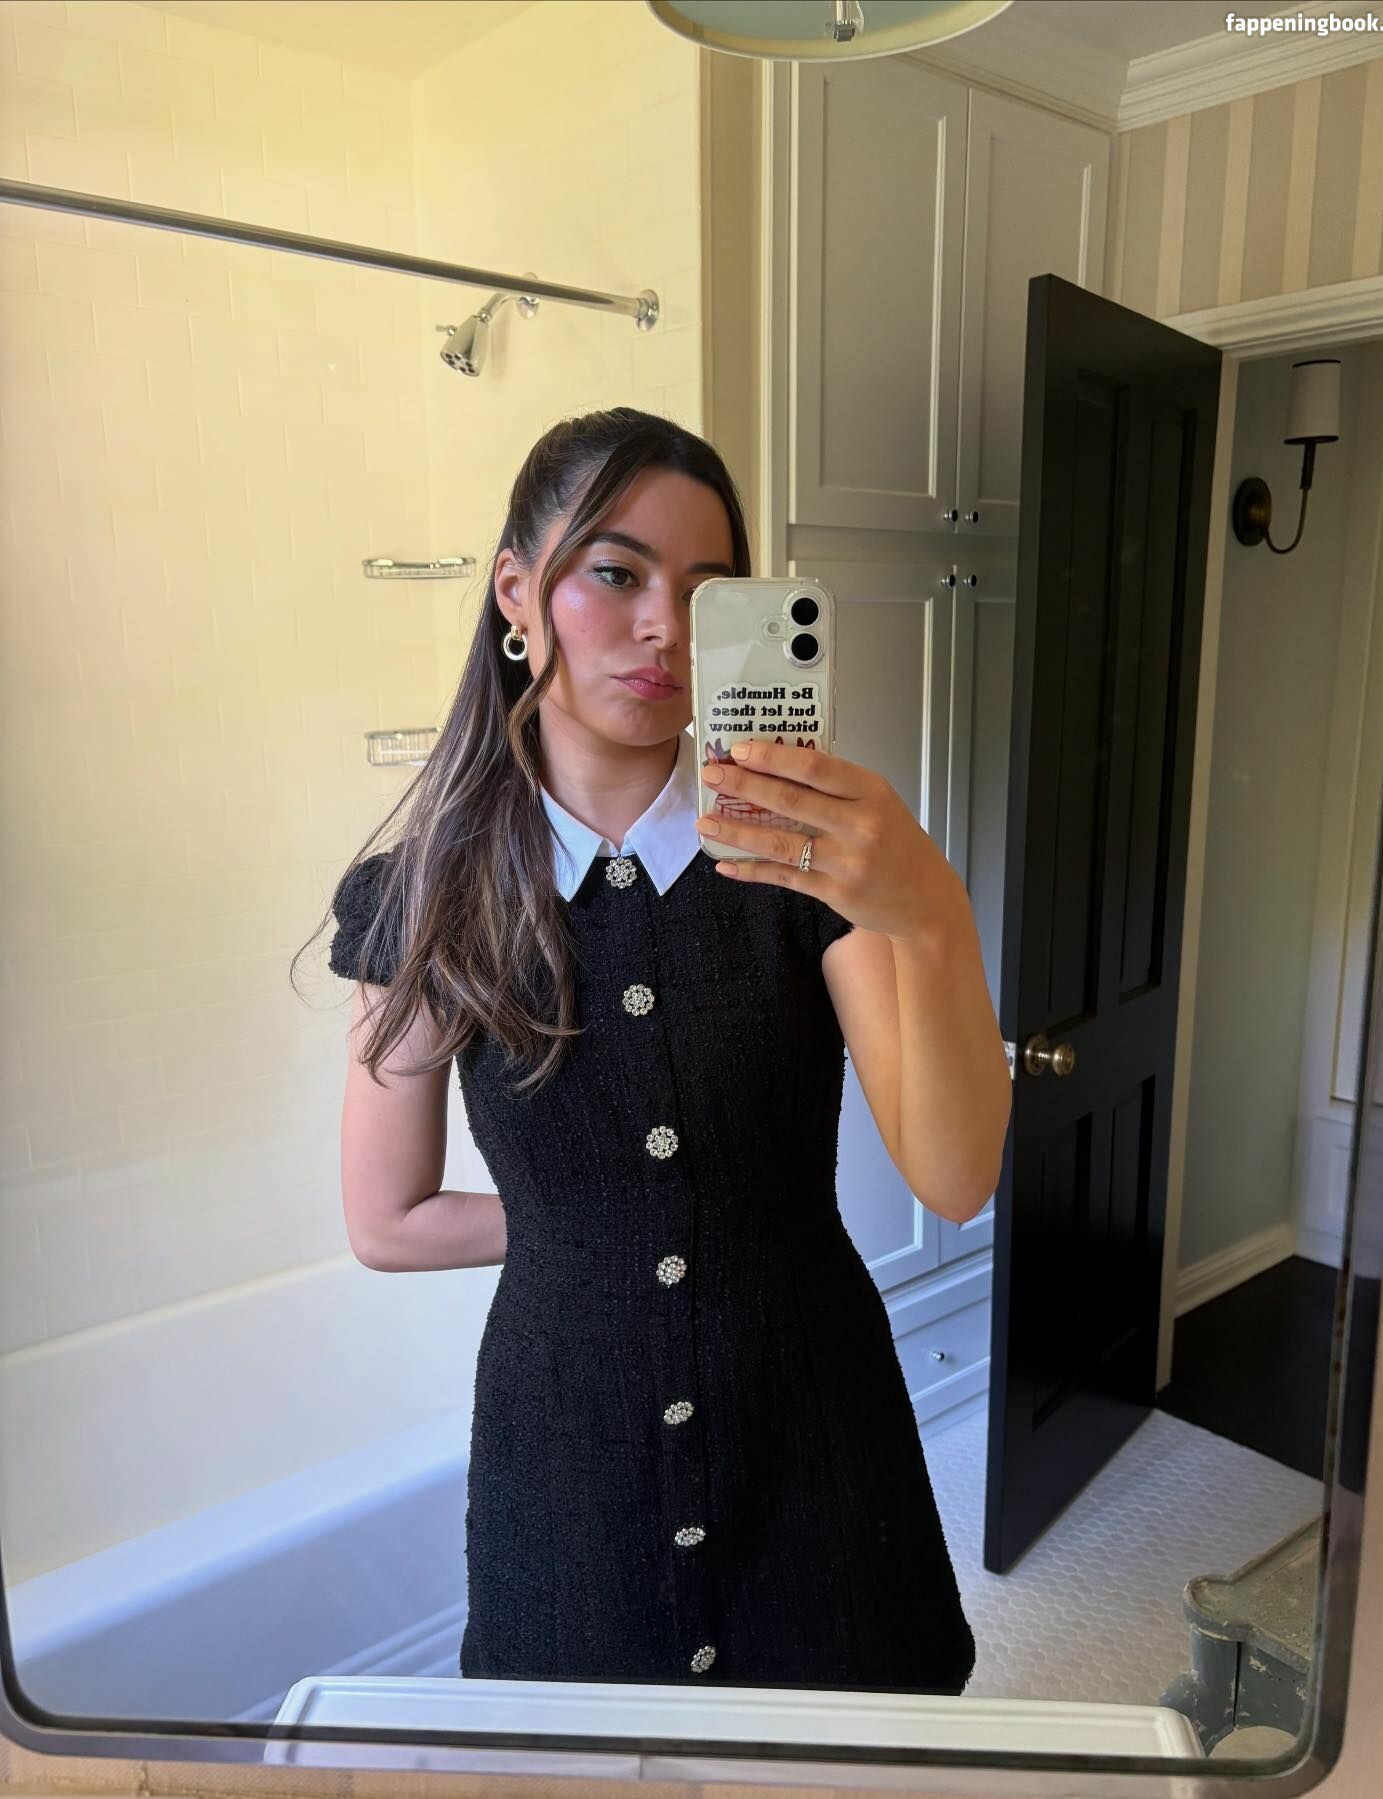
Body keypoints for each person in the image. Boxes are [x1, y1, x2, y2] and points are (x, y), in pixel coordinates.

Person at [316, 406, 1011, 1692]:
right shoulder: (427, 898)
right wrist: (614, 1221)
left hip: (816, 1439)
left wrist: (931, 913)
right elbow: (388, 1218)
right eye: (616, 573)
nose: (665, 631)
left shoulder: (808, 871)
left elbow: (956, 1175)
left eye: (705, 594)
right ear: (517, 592)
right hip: (567, 1461)